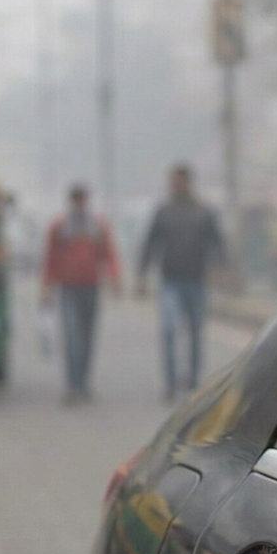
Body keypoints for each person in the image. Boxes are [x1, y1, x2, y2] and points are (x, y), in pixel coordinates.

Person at [137, 164, 226, 402]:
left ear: (187, 182)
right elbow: (151, 242)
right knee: (169, 328)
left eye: (177, 181)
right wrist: (142, 274)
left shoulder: (203, 211)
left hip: (196, 279)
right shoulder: (164, 211)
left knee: (196, 330)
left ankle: (194, 380)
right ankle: (170, 381)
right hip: (170, 280)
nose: (174, 186)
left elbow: (216, 242)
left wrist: (219, 268)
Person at [42, 183, 122, 403]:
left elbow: (108, 253)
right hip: (68, 287)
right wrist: (47, 287)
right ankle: (72, 385)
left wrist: (114, 277)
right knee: (71, 336)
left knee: (87, 337)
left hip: (91, 286)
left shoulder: (96, 226)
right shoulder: (60, 227)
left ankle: (84, 383)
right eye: (75, 199)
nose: (79, 203)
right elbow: (51, 259)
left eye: (81, 199)